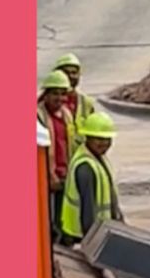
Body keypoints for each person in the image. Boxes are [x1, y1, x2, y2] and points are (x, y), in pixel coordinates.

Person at [58, 112, 124, 243]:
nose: (105, 143)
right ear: (87, 137)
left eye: (107, 139)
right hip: (82, 236)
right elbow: (88, 213)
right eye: (99, 139)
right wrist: (92, 242)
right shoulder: (86, 168)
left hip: (100, 231)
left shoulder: (97, 158)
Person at [37, 70, 77, 238]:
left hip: (64, 174)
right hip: (45, 176)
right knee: (45, 219)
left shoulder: (67, 115)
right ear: (45, 95)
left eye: (62, 94)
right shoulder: (37, 116)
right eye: (55, 93)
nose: (59, 98)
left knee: (61, 218)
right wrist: (49, 174)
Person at [53, 53, 96, 132]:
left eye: (74, 72)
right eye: (66, 72)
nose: (70, 76)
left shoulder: (86, 102)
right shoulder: (46, 101)